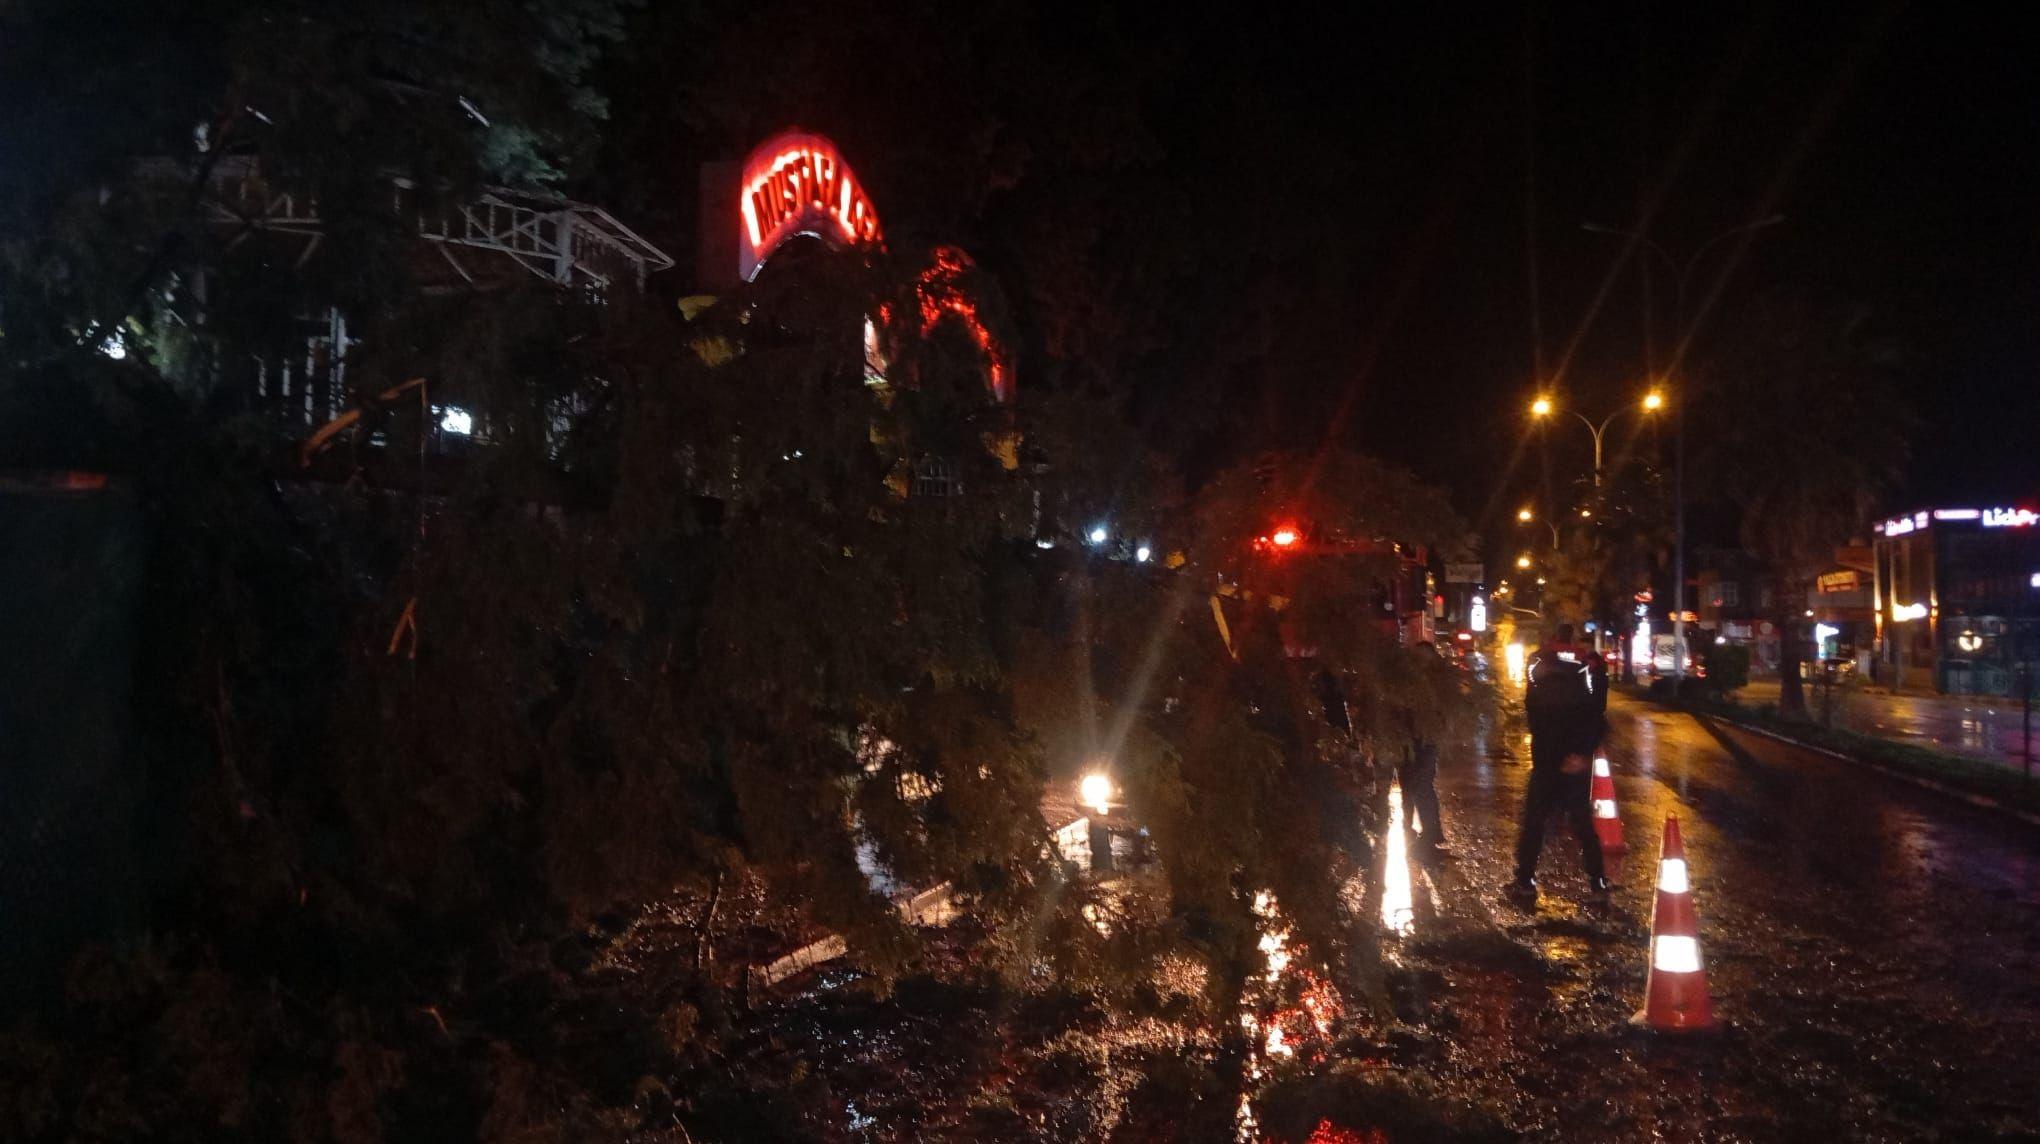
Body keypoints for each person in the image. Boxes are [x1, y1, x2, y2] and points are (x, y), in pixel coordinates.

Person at [1508, 623, 1609, 902]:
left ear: (1552, 637)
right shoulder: (1590, 666)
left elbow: (1532, 708)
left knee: (1534, 822)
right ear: (1575, 639)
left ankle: (1525, 881)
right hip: (1574, 761)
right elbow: (1598, 716)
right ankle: (1598, 884)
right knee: (1582, 823)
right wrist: (1583, 753)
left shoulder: (1537, 662)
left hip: (1546, 758)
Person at [1399, 643, 1448, 860]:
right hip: (1414, 741)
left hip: (1424, 741)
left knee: (1421, 786)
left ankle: (1430, 834)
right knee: (1417, 786)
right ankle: (1428, 832)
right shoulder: (1413, 681)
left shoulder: (1432, 683)